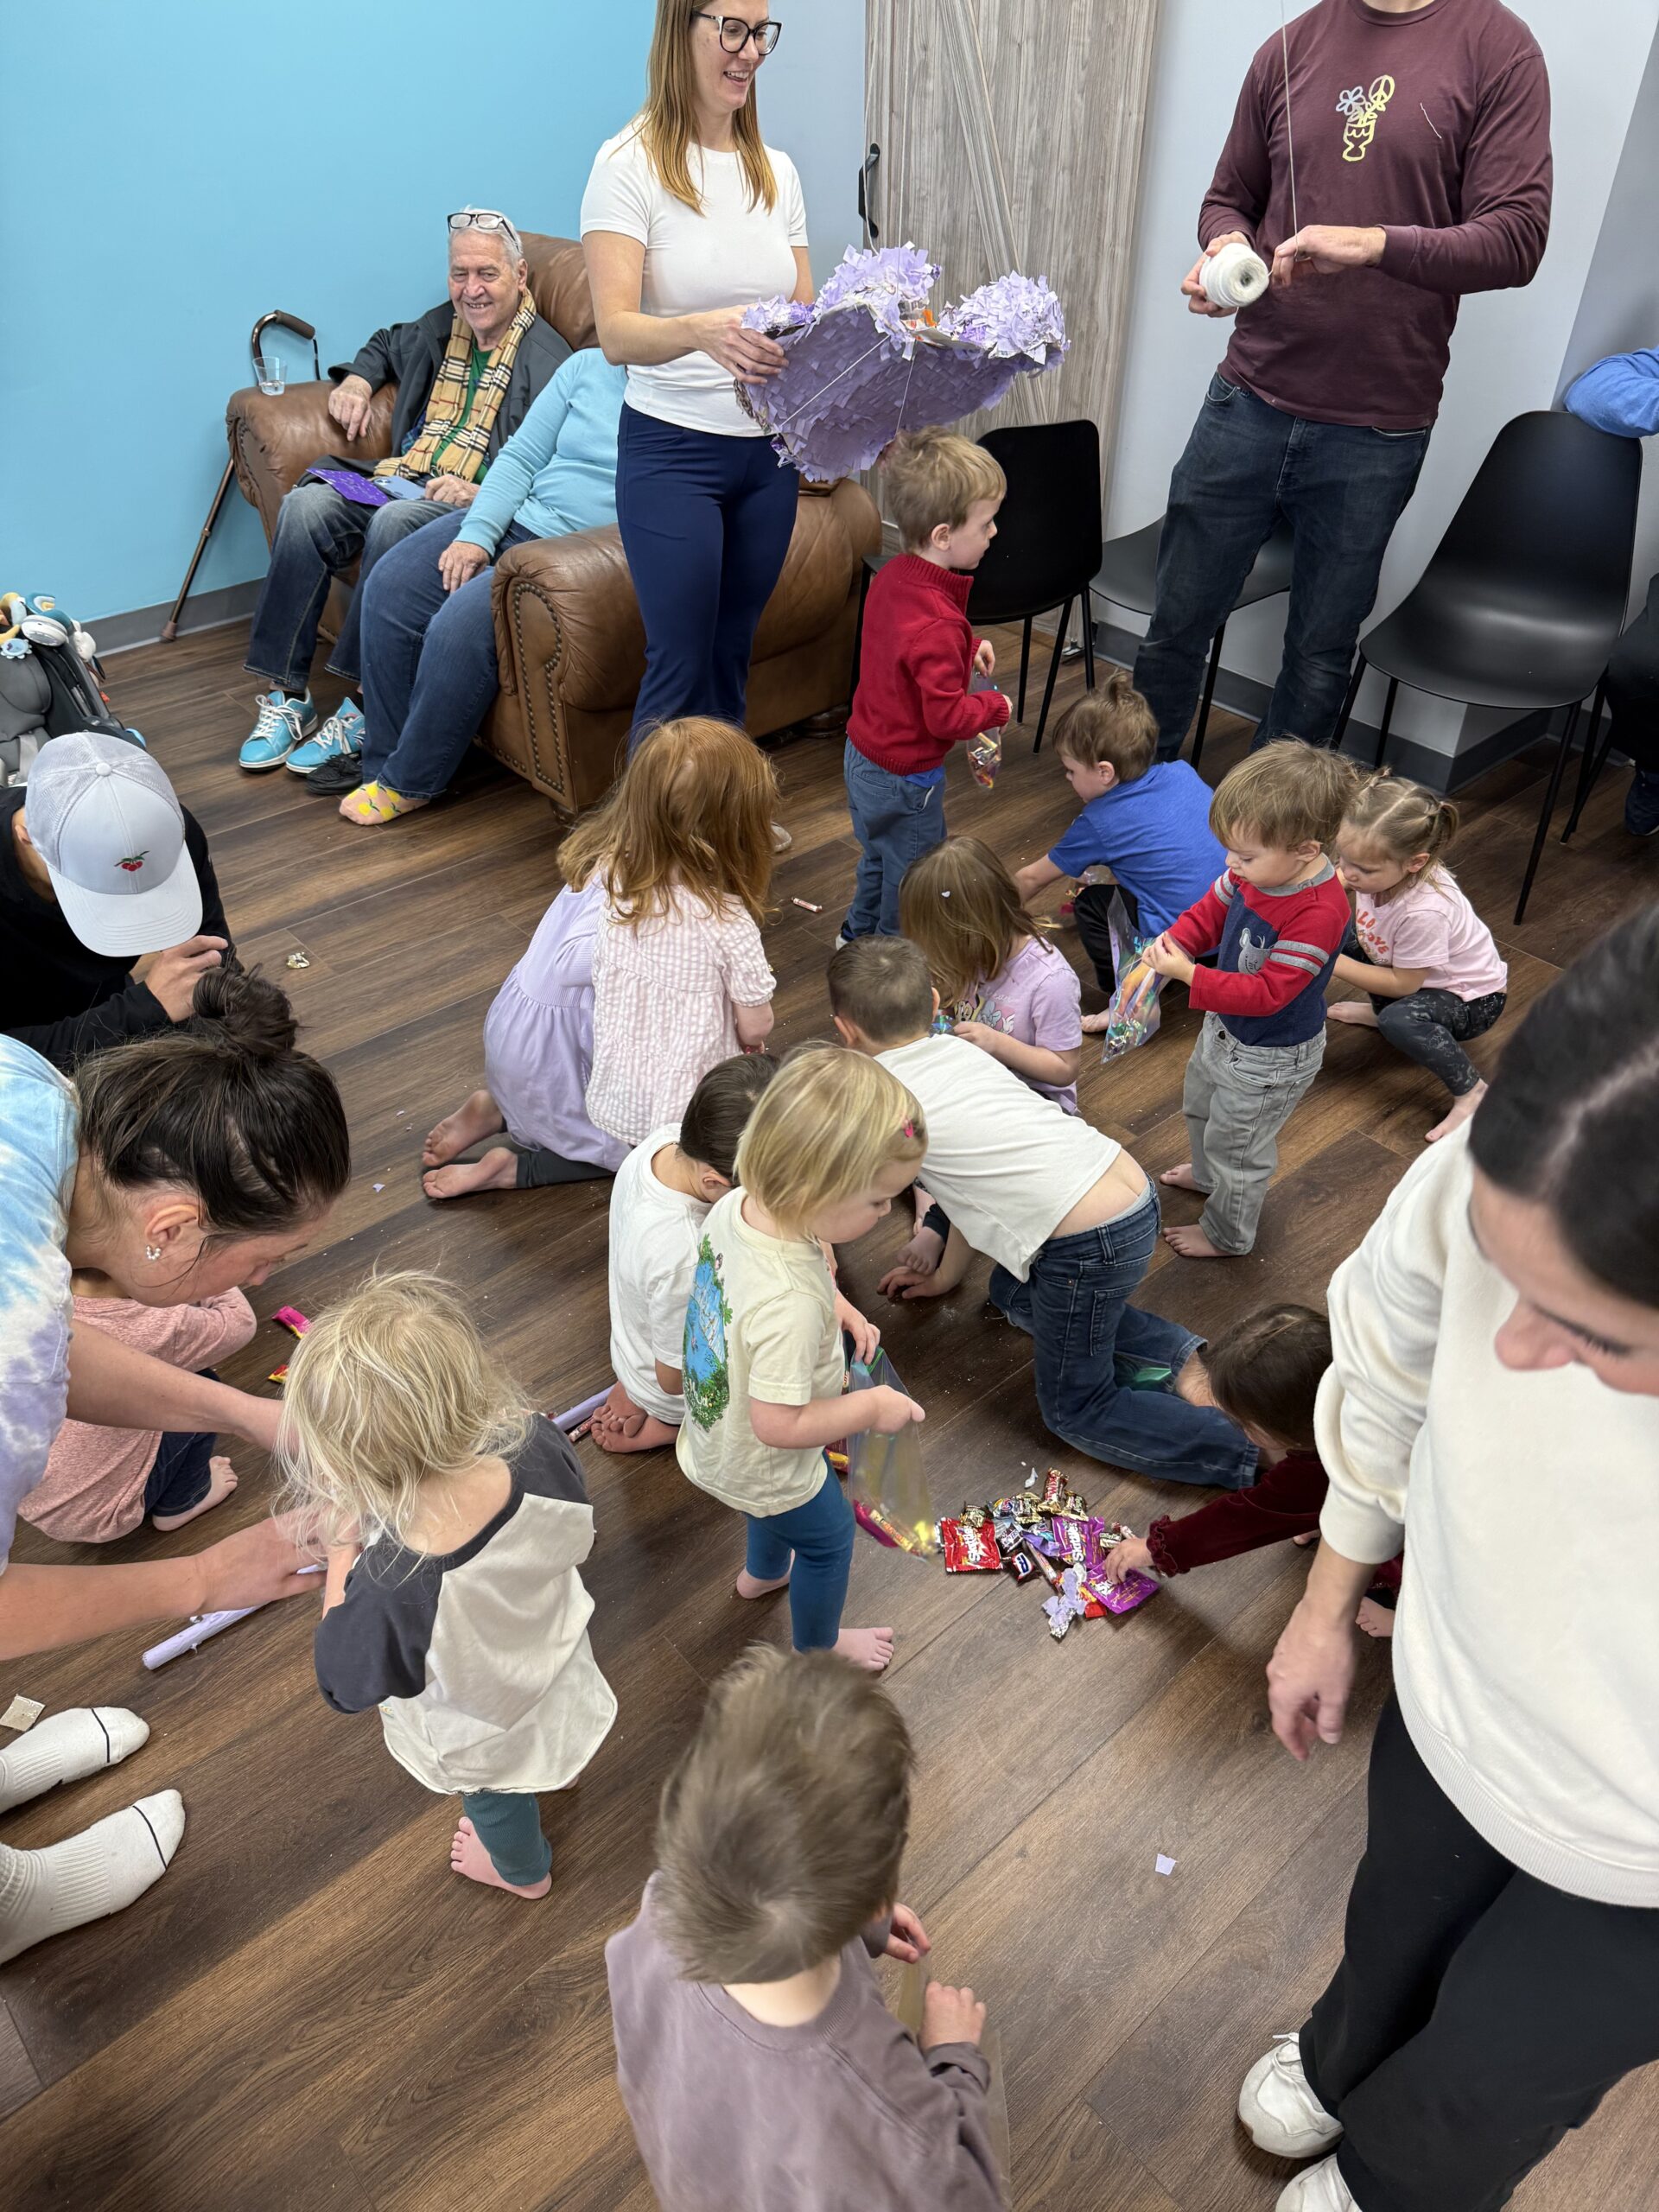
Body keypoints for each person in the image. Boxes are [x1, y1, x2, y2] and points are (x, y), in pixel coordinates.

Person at [1243, 906, 1659, 2212]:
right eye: (1502, 1271)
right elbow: (1385, 1371)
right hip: (1452, 1695)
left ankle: (1395, 2180)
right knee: (1394, 1923)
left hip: (1639, 1859)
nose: (1517, 1353)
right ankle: (1341, 2055)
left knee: (1506, 2060)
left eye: (1593, 1335)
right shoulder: (1491, 1163)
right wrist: (1329, 1598)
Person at [0, 968, 349, 1962]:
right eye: (261, 1261)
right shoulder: (7, 1346)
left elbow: (48, 1347)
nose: (264, 1281)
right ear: (170, 1230)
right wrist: (206, 1576)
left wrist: (248, 1415)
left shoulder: (33, 1091)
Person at [1134, 0, 1551, 759]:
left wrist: (1372, 243)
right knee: (1173, 632)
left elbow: (1517, 238)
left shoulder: (1499, 48)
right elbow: (1229, 196)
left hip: (1378, 427)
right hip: (1246, 398)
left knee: (1319, 662)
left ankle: (1267, 865)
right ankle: (1131, 836)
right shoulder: (1289, 47)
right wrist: (1226, 249)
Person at [830, 937, 1258, 1491]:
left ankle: (1248, 1456)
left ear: (845, 1031)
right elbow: (965, 1183)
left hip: (1088, 1245)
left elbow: (935, 1188)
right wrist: (946, 1274)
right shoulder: (962, 1050)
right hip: (1128, 1189)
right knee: (1011, 1293)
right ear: (935, 1003)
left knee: (1076, 1409)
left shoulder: (882, 1105)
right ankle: (1190, 1367)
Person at [607, 1645, 1007, 2212]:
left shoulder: (662, 1904)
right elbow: (970, 2197)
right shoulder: (899, 2126)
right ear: (878, 1894)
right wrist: (953, 2058)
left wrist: (858, 1928)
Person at [287, 1274, 616, 1902]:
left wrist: (339, 1557)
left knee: (495, 1798)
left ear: (349, 1463)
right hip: (554, 1650)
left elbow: (344, 1682)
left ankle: (523, 1872)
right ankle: (559, 1773)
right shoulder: (538, 1443)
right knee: (548, 1740)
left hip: (481, 1724)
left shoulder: (393, 1584)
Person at [238, 208, 569, 775]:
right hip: (396, 477)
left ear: (520, 276)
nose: (471, 289)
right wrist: (362, 380)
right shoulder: (444, 326)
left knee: (393, 525)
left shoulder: (550, 362)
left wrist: (478, 490)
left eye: (486, 274)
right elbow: (388, 342)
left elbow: (551, 462)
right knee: (306, 504)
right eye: (459, 274)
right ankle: (288, 696)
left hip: (457, 501)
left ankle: (365, 706)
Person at [581, 0, 810, 744]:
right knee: (678, 663)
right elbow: (615, 333)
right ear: (681, 30)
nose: (750, 52)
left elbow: (805, 318)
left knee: (729, 654)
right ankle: (643, 852)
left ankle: (721, 830)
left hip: (768, 456)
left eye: (761, 33)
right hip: (673, 451)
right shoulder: (628, 164)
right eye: (732, 31)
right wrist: (698, 333)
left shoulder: (776, 172)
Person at [677, 1046, 924, 1675]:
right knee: (828, 1540)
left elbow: (787, 1271)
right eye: (876, 1202)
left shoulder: (742, 1206)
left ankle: (763, 1574)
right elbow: (780, 1426)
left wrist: (836, 1302)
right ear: (812, 1190)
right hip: (764, 1449)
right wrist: (870, 1405)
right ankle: (819, 1646)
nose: (885, 1213)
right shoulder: (787, 1306)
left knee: (770, 1507)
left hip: (716, 1434)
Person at [316, 348, 628, 817]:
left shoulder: (683, 394)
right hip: (521, 517)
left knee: (456, 625)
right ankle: (380, 766)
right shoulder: (587, 365)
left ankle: (410, 782)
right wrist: (478, 536)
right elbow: (521, 457)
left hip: (576, 550)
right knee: (391, 584)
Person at [1146, 741, 1357, 1258]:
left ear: (1306, 850)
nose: (1230, 865)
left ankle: (1227, 1234)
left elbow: (1267, 995)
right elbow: (1210, 910)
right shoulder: (1254, 872)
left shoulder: (1319, 912)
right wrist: (1178, 941)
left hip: (1272, 1057)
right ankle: (1204, 1172)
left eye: (1244, 856)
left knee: (1238, 1151)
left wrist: (1190, 975)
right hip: (1224, 1029)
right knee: (1199, 1109)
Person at [1102, 1303, 1401, 1637]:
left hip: (1431, 1552)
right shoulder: (1365, 1385)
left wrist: (1154, 1549)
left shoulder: (1313, 1475)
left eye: (1243, 1422)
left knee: (1416, 1578)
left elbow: (1238, 1522)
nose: (1238, 1429)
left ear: (1283, 1429)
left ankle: (1403, 1622)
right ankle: (1322, 1514)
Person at [840, 432, 1012, 941]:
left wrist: (964, 647)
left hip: (862, 755)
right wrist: (994, 707)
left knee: (876, 857)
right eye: (985, 524)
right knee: (913, 877)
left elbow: (905, 651)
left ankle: (856, 936)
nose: (994, 532)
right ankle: (893, 965)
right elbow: (946, 719)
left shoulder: (894, 574)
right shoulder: (938, 620)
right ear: (942, 535)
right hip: (907, 778)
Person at [579, 718, 779, 1147]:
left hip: (630, 1076)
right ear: (734, 831)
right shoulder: (727, 921)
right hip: (695, 1095)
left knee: (646, 1159)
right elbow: (756, 1026)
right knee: (695, 1164)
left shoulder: (615, 880)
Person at [3, 732, 231, 1071]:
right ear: (27, 838)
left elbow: (210, 952)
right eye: (101, 893)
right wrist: (144, 1008)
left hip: (109, 1003)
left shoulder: (162, 830)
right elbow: (8, 1060)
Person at [1013, 673, 1224, 1031]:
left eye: (1070, 770)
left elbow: (1031, 877)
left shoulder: (1098, 822)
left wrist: (989, 917)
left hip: (1180, 943)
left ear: (1105, 772)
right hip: (1231, 929)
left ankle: (1131, 999)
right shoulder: (1181, 772)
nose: (1067, 779)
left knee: (1090, 904)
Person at [594, 1052, 779, 1455]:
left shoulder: (665, 1140)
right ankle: (670, 1425)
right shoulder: (685, 1254)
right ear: (715, 1182)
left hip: (635, 1346)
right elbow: (678, 1379)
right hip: (669, 1390)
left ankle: (635, 1387)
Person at [420, 870, 630, 1203]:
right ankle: (515, 1169)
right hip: (552, 1057)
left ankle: (504, 1110)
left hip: (511, 1026)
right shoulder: (660, 901)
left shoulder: (606, 860)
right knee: (634, 1151)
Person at [1329, 772, 1508, 1143]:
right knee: (1336, 931)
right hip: (1410, 970)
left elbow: (1404, 984)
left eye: (1363, 869)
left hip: (1471, 1000)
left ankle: (1471, 1092)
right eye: (1344, 858)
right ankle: (1383, 1016)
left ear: (1414, 862)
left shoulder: (1425, 911)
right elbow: (1343, 883)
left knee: (1400, 1018)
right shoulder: (1375, 869)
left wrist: (1329, 960)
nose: (1348, 872)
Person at [20, 1282, 254, 1541]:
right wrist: (209, 1272)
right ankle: (183, 1503)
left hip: (27, 1502)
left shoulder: (26, 1296)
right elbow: (240, 1321)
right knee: (205, 1389)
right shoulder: (163, 1324)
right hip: (105, 1515)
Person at [899, 837, 1082, 1111]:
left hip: (1034, 1100)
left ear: (970, 931)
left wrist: (995, 1043)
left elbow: (1064, 1069)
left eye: (940, 942)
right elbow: (952, 1007)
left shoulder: (1050, 980)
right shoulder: (967, 953)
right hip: (977, 1077)